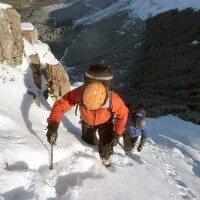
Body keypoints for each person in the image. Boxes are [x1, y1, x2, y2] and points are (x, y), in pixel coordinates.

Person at [46, 64, 128, 167]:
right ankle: (95, 148)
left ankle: (105, 157)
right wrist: (53, 125)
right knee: (87, 141)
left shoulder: (113, 99)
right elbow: (61, 105)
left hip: (105, 123)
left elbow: (123, 115)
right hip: (88, 121)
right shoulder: (80, 92)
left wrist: (117, 134)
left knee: (106, 146)